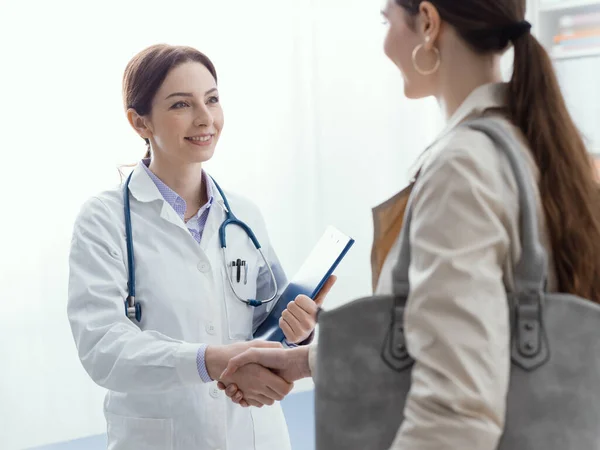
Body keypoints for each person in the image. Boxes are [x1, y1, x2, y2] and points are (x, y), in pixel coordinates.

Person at [217, 0, 600, 447]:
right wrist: (306, 362)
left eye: (387, 21)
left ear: (429, 22)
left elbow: (456, 409)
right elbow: (483, 336)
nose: (384, 43)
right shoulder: (533, 143)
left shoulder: (462, 167)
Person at [67, 44, 336, 450]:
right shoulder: (103, 220)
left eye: (212, 99)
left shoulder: (242, 214)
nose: (205, 118)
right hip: (162, 437)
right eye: (181, 104)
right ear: (139, 122)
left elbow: (267, 321)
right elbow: (104, 348)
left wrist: (297, 331)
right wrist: (212, 360)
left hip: (255, 433)